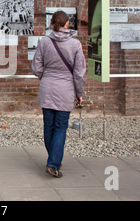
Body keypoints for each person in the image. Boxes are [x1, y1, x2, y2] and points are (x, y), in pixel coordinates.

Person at [31, 10, 86, 178]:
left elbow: (36, 67)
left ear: (53, 23)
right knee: (61, 127)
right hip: (66, 90)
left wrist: (46, 77)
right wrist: (79, 92)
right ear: (67, 23)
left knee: (49, 126)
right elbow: (79, 73)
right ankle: (53, 163)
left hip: (47, 88)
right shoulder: (75, 45)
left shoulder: (44, 42)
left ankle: (53, 159)